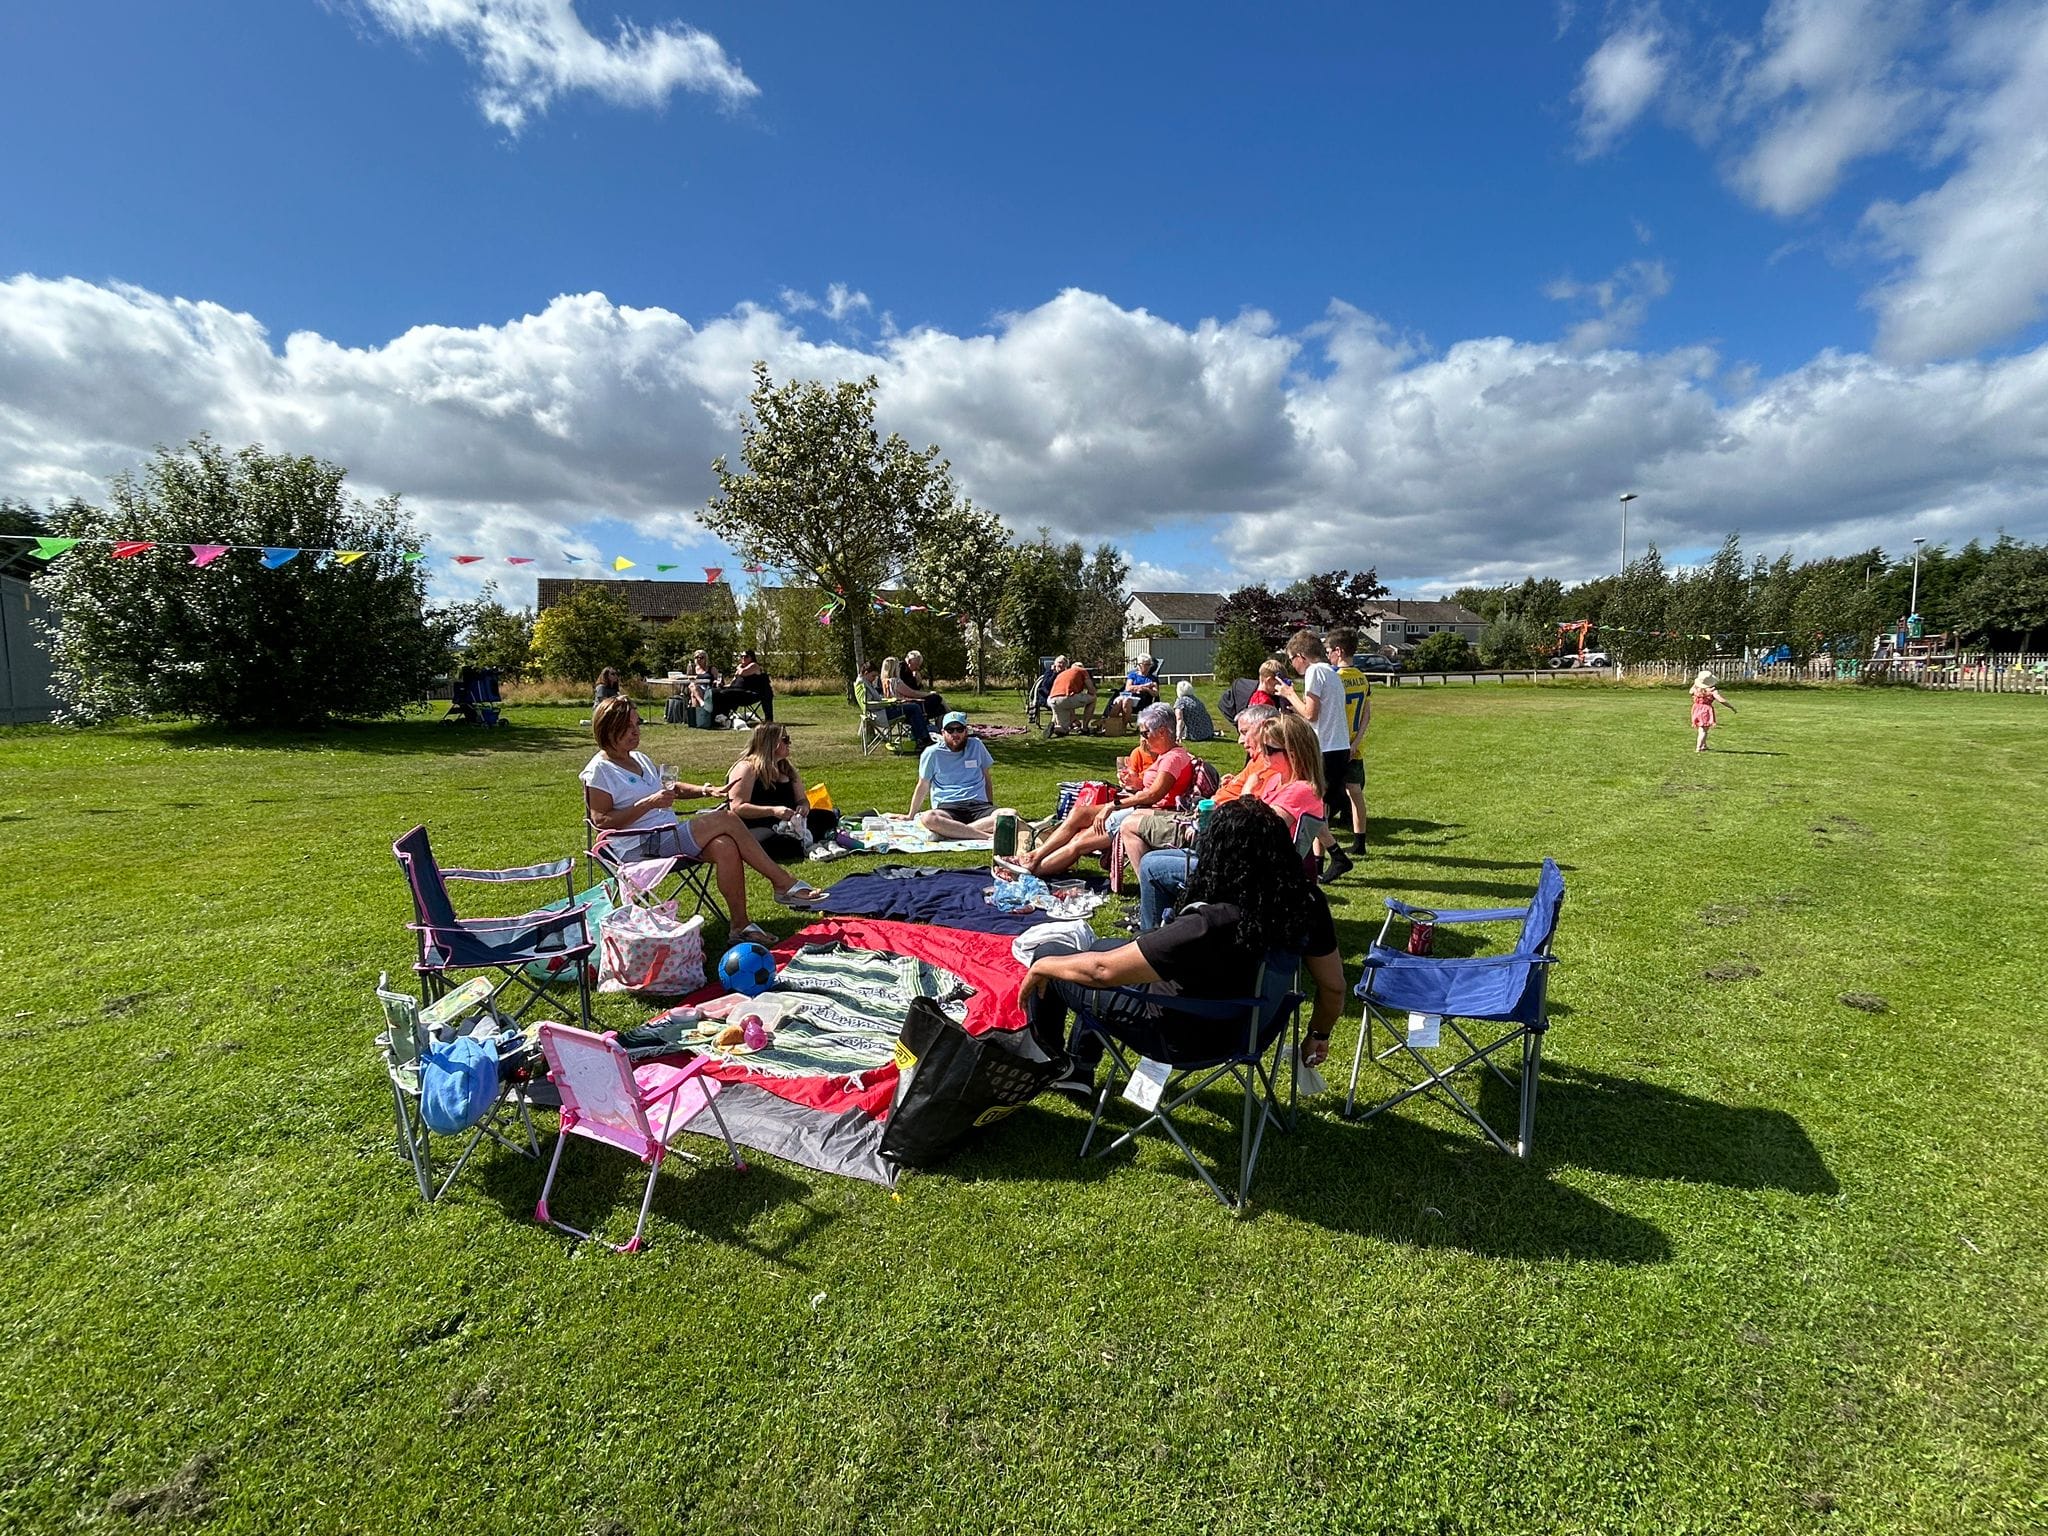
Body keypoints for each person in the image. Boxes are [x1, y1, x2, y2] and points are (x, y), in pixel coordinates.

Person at [1023, 798, 1349, 1096]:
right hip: (1249, 1030)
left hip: (1175, 1035)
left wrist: (1042, 965)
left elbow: (1101, 972)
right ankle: (1079, 1067)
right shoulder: (1306, 903)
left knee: (1055, 957)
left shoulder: (1207, 924)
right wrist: (1318, 1035)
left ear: (1217, 854)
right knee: (1104, 946)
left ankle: (1052, 1063)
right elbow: (1333, 989)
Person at [578, 697, 826, 946]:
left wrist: (706, 791)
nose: (636, 731)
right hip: (638, 845)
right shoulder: (600, 770)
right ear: (608, 728)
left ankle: (740, 926)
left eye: (637, 724)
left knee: (724, 845)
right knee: (727, 818)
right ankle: (783, 883)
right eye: (628, 726)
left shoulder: (639, 758)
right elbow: (601, 821)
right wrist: (648, 803)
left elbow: (670, 787)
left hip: (667, 834)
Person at [1133, 711, 1326, 932]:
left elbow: (1259, 832)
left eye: (1270, 750)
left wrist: (1245, 794)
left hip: (1252, 874)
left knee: (1151, 867)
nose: (1262, 754)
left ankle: (1153, 938)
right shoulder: (1276, 780)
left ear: (1294, 754)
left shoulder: (1300, 790)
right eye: (1263, 747)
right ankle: (1166, 933)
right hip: (1242, 862)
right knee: (1153, 858)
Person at [1017, 702, 1196, 879]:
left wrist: (1113, 805)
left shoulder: (1172, 759)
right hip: (1140, 805)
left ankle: (1028, 872)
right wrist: (1137, 782)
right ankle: (1036, 855)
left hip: (1148, 813)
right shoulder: (1168, 755)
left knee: (1079, 842)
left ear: (1162, 732)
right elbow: (1155, 789)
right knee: (1079, 813)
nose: (1142, 739)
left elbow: (1153, 795)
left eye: (1144, 733)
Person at [1272, 629, 1353, 882]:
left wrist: (1288, 695)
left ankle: (1330, 859)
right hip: (1338, 746)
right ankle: (1323, 863)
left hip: (1324, 748)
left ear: (1301, 656)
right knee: (1317, 807)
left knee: (1311, 806)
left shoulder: (1315, 672)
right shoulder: (1332, 672)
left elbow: (1310, 714)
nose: (1291, 665)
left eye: (1291, 659)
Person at [724, 721, 827, 861]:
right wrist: (773, 811)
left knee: (827, 817)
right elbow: (737, 807)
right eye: (785, 739)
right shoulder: (747, 768)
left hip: (788, 822)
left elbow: (802, 799)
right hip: (758, 826)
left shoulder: (786, 768)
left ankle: (804, 840)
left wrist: (803, 807)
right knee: (783, 845)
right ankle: (806, 841)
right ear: (771, 743)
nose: (789, 743)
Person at [909, 710, 998, 839]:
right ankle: (984, 835)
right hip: (948, 806)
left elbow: (987, 778)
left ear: (966, 731)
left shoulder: (977, 745)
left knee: (1010, 814)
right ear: (943, 733)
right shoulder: (932, 753)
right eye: (950, 730)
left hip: (978, 804)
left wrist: (990, 804)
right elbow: (923, 785)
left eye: (959, 729)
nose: (955, 734)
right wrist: (910, 815)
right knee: (929, 818)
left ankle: (952, 831)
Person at [1325, 626, 1371, 856]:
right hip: (1354, 747)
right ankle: (1359, 842)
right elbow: (1367, 714)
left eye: (1328, 651)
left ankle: (1322, 849)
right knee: (1355, 794)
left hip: (1335, 747)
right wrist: (1356, 743)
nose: (1327, 656)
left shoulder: (1333, 679)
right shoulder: (1362, 678)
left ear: (1339, 651)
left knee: (1322, 798)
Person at [880, 656, 935, 748]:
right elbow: (911, 693)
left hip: (890, 707)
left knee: (913, 712)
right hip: (898, 708)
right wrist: (928, 695)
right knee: (915, 708)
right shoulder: (896, 681)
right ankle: (924, 738)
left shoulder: (884, 681)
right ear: (894, 668)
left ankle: (919, 739)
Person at [719, 649, 775, 722]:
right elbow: (732, 683)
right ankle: (718, 717)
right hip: (738, 691)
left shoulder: (754, 665)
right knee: (717, 692)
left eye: (746, 656)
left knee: (725, 693)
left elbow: (743, 673)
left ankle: (725, 717)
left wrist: (738, 667)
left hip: (750, 694)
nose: (743, 658)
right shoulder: (740, 668)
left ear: (751, 657)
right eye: (741, 656)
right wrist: (722, 686)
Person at [1047, 655, 1096, 736]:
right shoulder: (1082, 671)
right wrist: (1091, 691)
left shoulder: (1062, 673)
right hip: (1065, 698)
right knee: (1093, 698)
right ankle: (1085, 728)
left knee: (1064, 729)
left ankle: (1056, 728)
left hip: (1052, 700)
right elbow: (1091, 690)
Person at [1691, 669, 1737, 751]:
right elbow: (1721, 700)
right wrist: (1731, 707)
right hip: (1705, 710)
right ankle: (1699, 747)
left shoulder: (1696, 689)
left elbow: (1690, 692)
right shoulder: (1712, 691)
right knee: (1703, 730)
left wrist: (1696, 685)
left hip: (1696, 708)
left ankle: (1704, 745)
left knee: (1702, 728)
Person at [901, 649, 947, 722]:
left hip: (913, 698)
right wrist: (927, 694)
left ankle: (942, 726)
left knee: (940, 707)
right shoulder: (901, 670)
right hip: (907, 701)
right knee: (936, 698)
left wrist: (918, 681)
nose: (918, 668)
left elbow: (916, 688)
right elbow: (911, 692)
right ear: (909, 661)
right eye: (917, 665)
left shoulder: (912, 672)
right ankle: (950, 715)